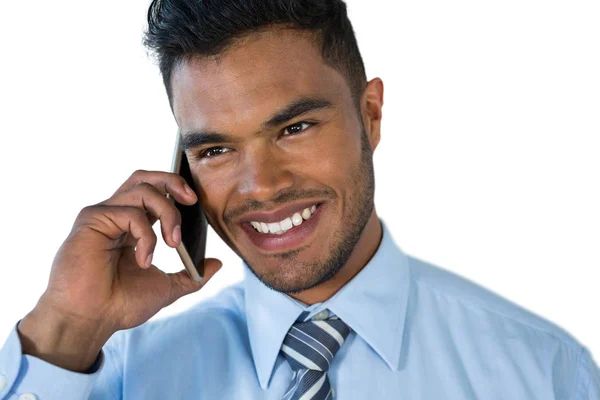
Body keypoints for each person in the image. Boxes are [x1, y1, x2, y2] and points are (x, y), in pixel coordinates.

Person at [0, 0, 598, 398]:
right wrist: (67, 327)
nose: (260, 187)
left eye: (294, 129)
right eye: (215, 151)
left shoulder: (546, 374)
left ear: (370, 115)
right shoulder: (121, 377)